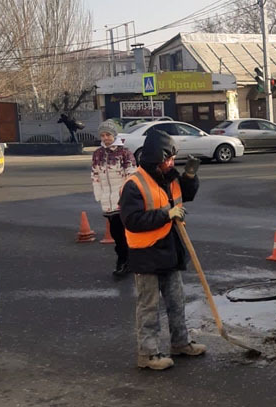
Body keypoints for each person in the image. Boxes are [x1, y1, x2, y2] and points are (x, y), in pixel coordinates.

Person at [119, 130, 205, 371]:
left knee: (177, 302)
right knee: (149, 307)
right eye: (167, 159)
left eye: (173, 158)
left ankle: (180, 343)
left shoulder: (170, 177)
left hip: (170, 248)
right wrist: (165, 214)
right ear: (155, 158)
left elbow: (185, 195)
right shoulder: (134, 184)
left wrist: (189, 176)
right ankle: (148, 354)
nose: (171, 163)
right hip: (146, 253)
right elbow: (132, 220)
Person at [91, 120, 136, 277]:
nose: (105, 138)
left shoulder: (124, 153)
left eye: (108, 135)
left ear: (114, 135)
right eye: (103, 135)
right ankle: (126, 261)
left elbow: (131, 177)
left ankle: (124, 262)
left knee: (124, 233)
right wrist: (99, 195)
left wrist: (127, 198)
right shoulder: (98, 154)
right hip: (107, 202)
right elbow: (95, 176)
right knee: (117, 235)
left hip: (122, 201)